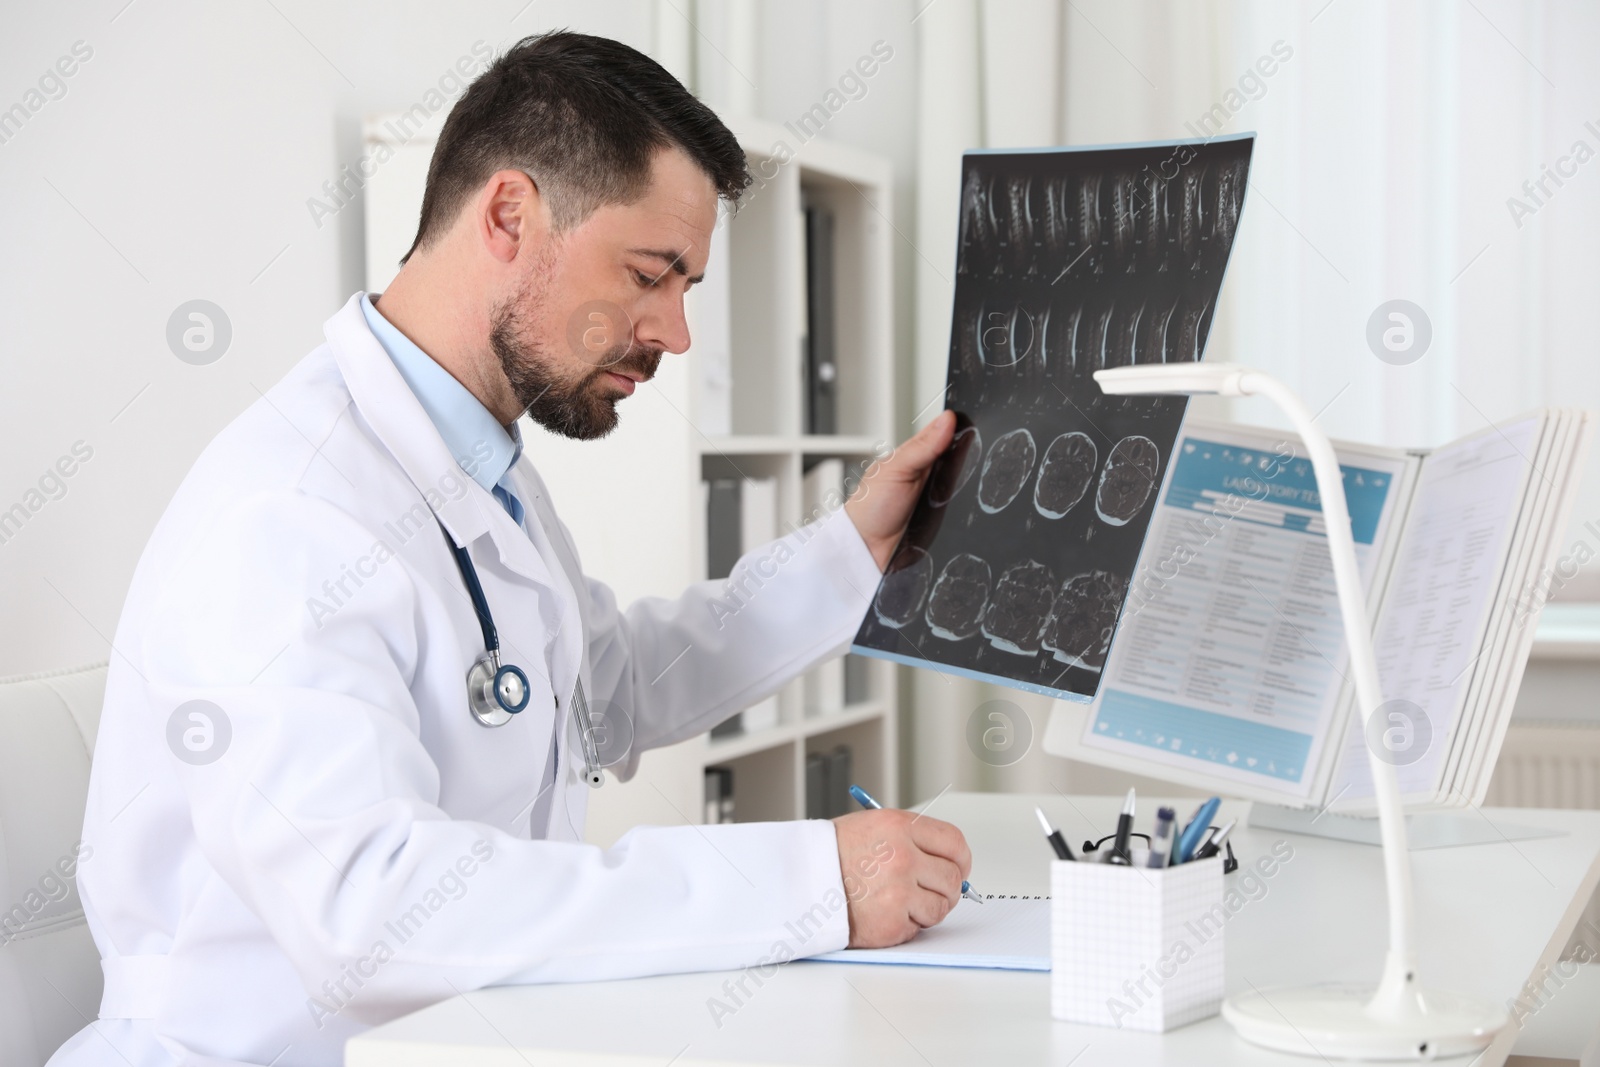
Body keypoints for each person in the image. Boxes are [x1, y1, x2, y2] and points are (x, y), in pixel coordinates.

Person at [49, 29, 966, 1067]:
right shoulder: (288, 511)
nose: (674, 332)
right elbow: (375, 911)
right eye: (649, 274)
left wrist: (854, 545)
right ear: (508, 214)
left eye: (686, 288)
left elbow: (602, 685)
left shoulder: (478, 462)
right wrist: (805, 884)